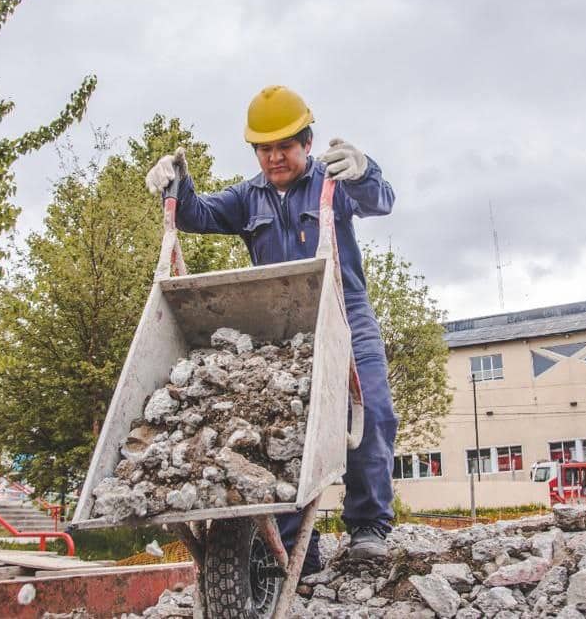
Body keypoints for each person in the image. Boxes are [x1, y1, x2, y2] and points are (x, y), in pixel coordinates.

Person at [145, 85, 398, 571]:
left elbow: (380, 200)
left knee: (373, 412)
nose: (275, 157)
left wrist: (365, 172)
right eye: (265, 149)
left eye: (285, 146)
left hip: (345, 314)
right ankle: (295, 553)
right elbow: (198, 214)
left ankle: (368, 529)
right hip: (282, 330)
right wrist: (176, 184)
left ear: (307, 142)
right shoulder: (248, 198)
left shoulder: (333, 181)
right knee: (280, 428)